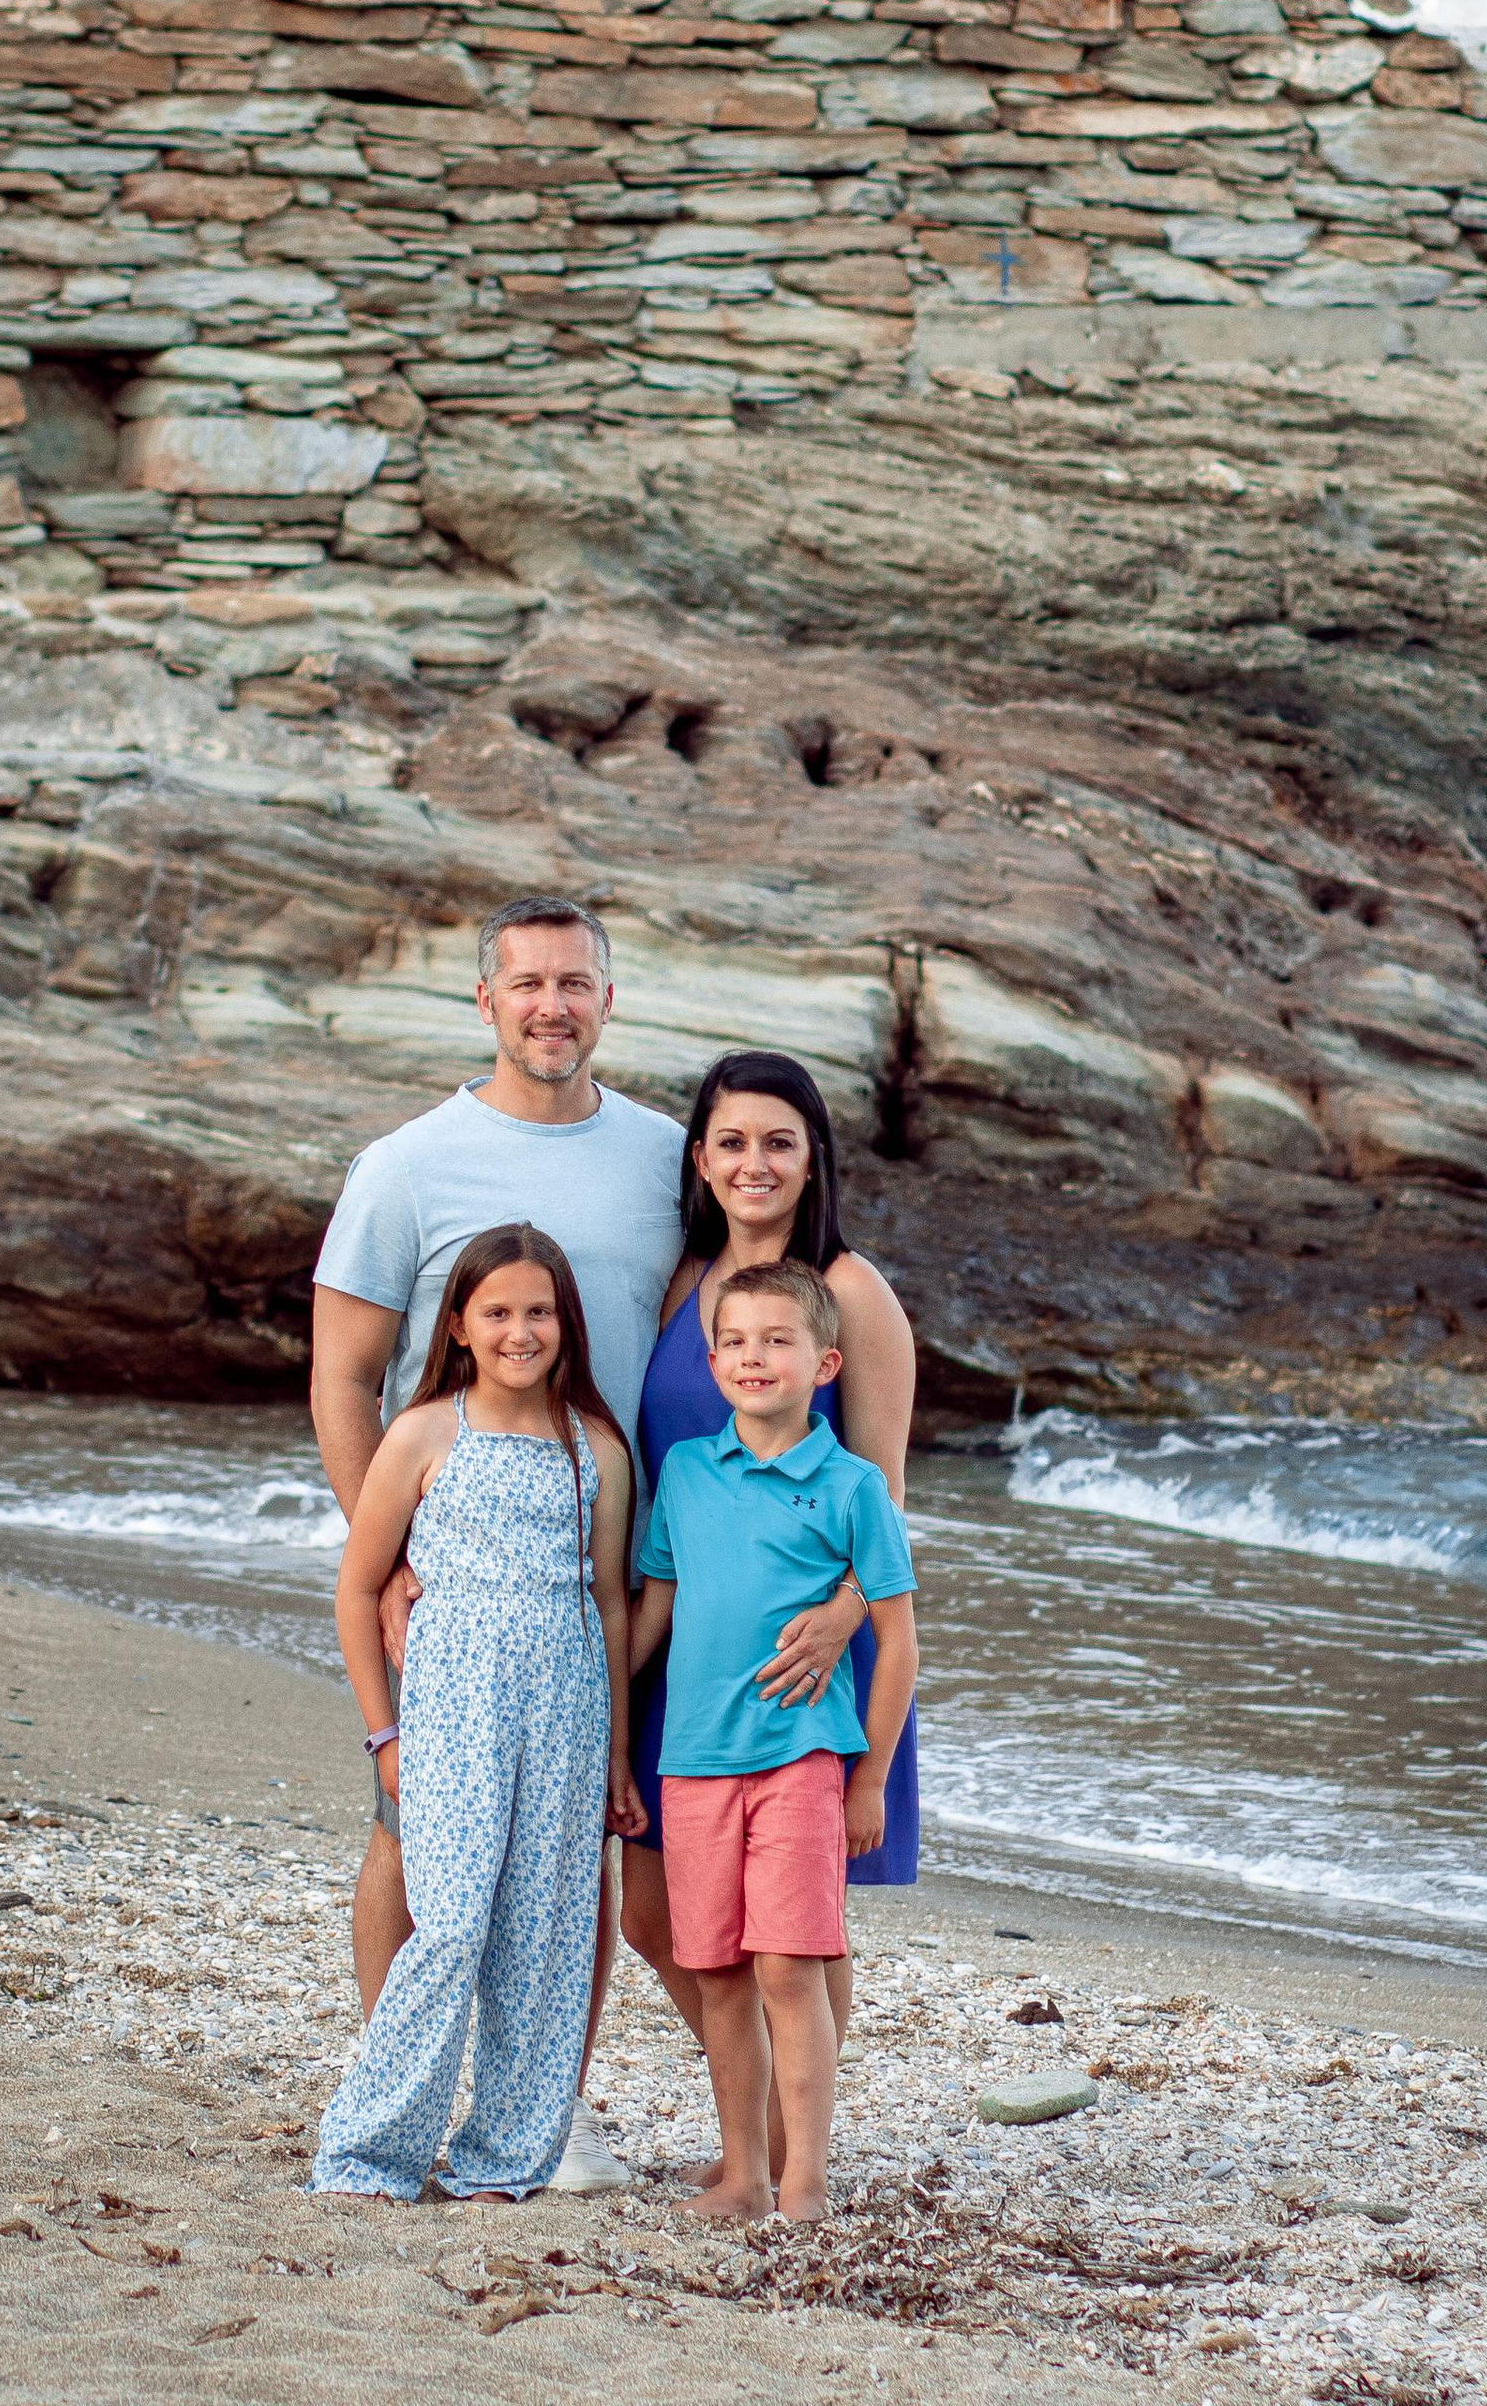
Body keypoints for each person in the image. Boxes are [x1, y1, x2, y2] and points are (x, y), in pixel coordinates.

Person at [308, 901, 861, 2195]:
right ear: (484, 1002)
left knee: (583, 1871)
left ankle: (543, 2113)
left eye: (576, 983)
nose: (551, 1005)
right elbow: (342, 1381)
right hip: (462, 1565)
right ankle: (402, 2092)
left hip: (643, 1559)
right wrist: (388, 1560)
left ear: (610, 1002)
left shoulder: (668, 1160)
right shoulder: (408, 1164)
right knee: (412, 1844)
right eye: (526, 984)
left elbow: (766, 1303)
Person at [313, 1228, 642, 2202]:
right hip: (453, 1716)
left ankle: (505, 2158)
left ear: (565, 1324)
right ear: (458, 1324)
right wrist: (385, 1735)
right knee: (450, 1926)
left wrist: (616, 1754)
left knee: (541, 1939)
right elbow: (356, 1588)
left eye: (538, 1310)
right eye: (496, 1311)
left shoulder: (596, 1448)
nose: (519, 1330)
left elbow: (612, 1603)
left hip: (568, 1717)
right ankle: (371, 2154)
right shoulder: (423, 1436)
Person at [623, 1047, 918, 2128]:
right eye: (733, 1142)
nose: (755, 1163)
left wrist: (846, 1618)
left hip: (812, 1647)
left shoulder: (849, 1293)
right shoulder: (679, 1285)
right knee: (656, 1919)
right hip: (683, 1636)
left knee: (797, 1927)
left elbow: (883, 1485)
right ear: (699, 1158)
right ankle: (769, 2126)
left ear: (813, 1161)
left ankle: (802, 2154)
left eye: (778, 1143)